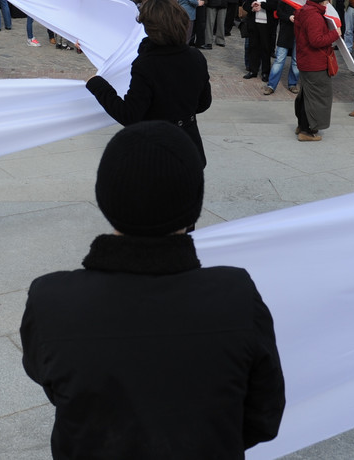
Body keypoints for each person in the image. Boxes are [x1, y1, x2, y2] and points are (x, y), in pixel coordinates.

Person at [20, 120, 286, 459]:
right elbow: (263, 418)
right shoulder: (236, 295)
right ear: (193, 204)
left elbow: (51, 381)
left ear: (106, 196)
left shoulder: (51, 298)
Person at [85, 0, 212, 164]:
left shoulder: (146, 64)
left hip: (157, 152)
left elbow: (129, 115)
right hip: (189, 149)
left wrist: (98, 85)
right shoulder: (195, 56)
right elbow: (204, 103)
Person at [294, 0, 341, 141]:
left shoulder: (305, 10)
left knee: (307, 95)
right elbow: (316, 40)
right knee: (317, 98)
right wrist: (335, 34)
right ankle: (307, 131)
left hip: (306, 60)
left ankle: (302, 125)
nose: (329, 2)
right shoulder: (313, 15)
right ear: (322, 0)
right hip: (314, 62)